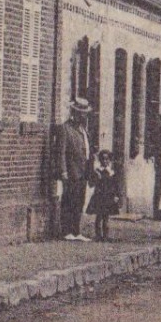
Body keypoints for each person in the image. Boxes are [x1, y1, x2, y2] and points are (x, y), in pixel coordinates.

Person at [52, 100, 92, 241]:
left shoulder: (83, 130)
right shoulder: (66, 128)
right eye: (83, 114)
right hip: (71, 171)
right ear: (76, 113)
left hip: (83, 171)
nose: (85, 117)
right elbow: (61, 152)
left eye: (86, 114)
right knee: (69, 200)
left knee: (79, 201)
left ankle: (76, 231)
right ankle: (66, 231)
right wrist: (63, 171)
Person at [85, 143, 121, 241]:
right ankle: (98, 235)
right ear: (100, 160)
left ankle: (105, 235)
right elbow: (91, 184)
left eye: (107, 159)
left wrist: (117, 196)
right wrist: (96, 177)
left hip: (109, 197)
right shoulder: (98, 172)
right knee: (98, 217)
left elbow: (116, 185)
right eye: (103, 159)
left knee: (106, 217)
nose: (105, 161)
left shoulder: (112, 172)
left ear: (110, 160)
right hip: (99, 197)